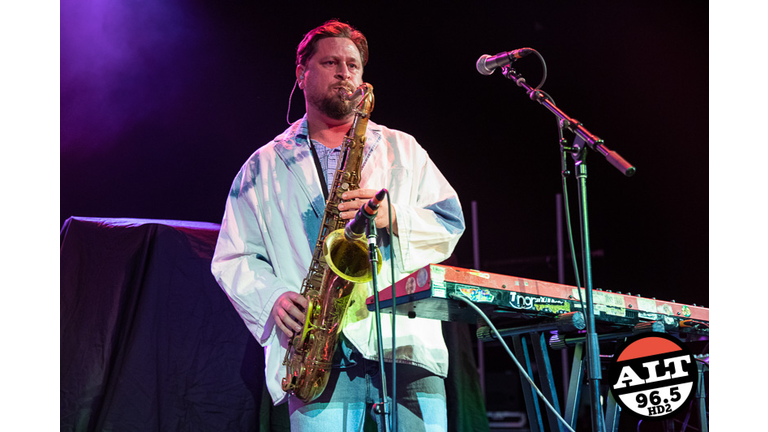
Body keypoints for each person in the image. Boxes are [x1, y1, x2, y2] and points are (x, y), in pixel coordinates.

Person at [211, 20, 465, 431]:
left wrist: (392, 215)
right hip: (315, 351)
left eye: (353, 65)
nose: (344, 72)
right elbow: (234, 255)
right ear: (302, 73)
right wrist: (272, 298)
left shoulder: (404, 148)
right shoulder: (263, 165)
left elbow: (449, 224)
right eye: (330, 62)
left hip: (403, 346)